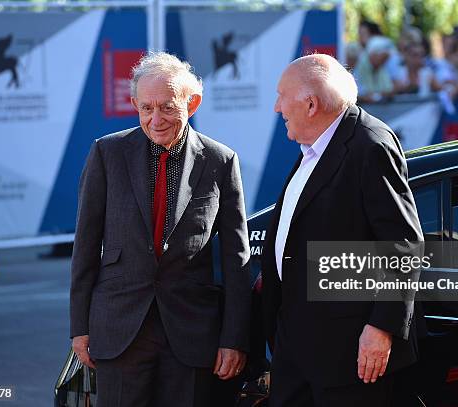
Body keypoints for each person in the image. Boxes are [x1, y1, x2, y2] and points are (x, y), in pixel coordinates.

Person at [70, 52, 251, 407]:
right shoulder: (107, 153)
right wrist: (79, 327)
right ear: (135, 104)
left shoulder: (220, 160)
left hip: (192, 333)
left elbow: (236, 258)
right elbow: (86, 246)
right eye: (146, 108)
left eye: (167, 108)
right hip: (120, 329)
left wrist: (234, 338)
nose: (155, 120)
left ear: (192, 103)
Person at [262, 54, 423, 406]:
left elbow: (402, 244)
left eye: (280, 95)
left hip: (349, 355)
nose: (276, 107)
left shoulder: (369, 144)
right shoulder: (315, 147)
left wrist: (382, 327)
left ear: (310, 103)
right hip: (299, 347)